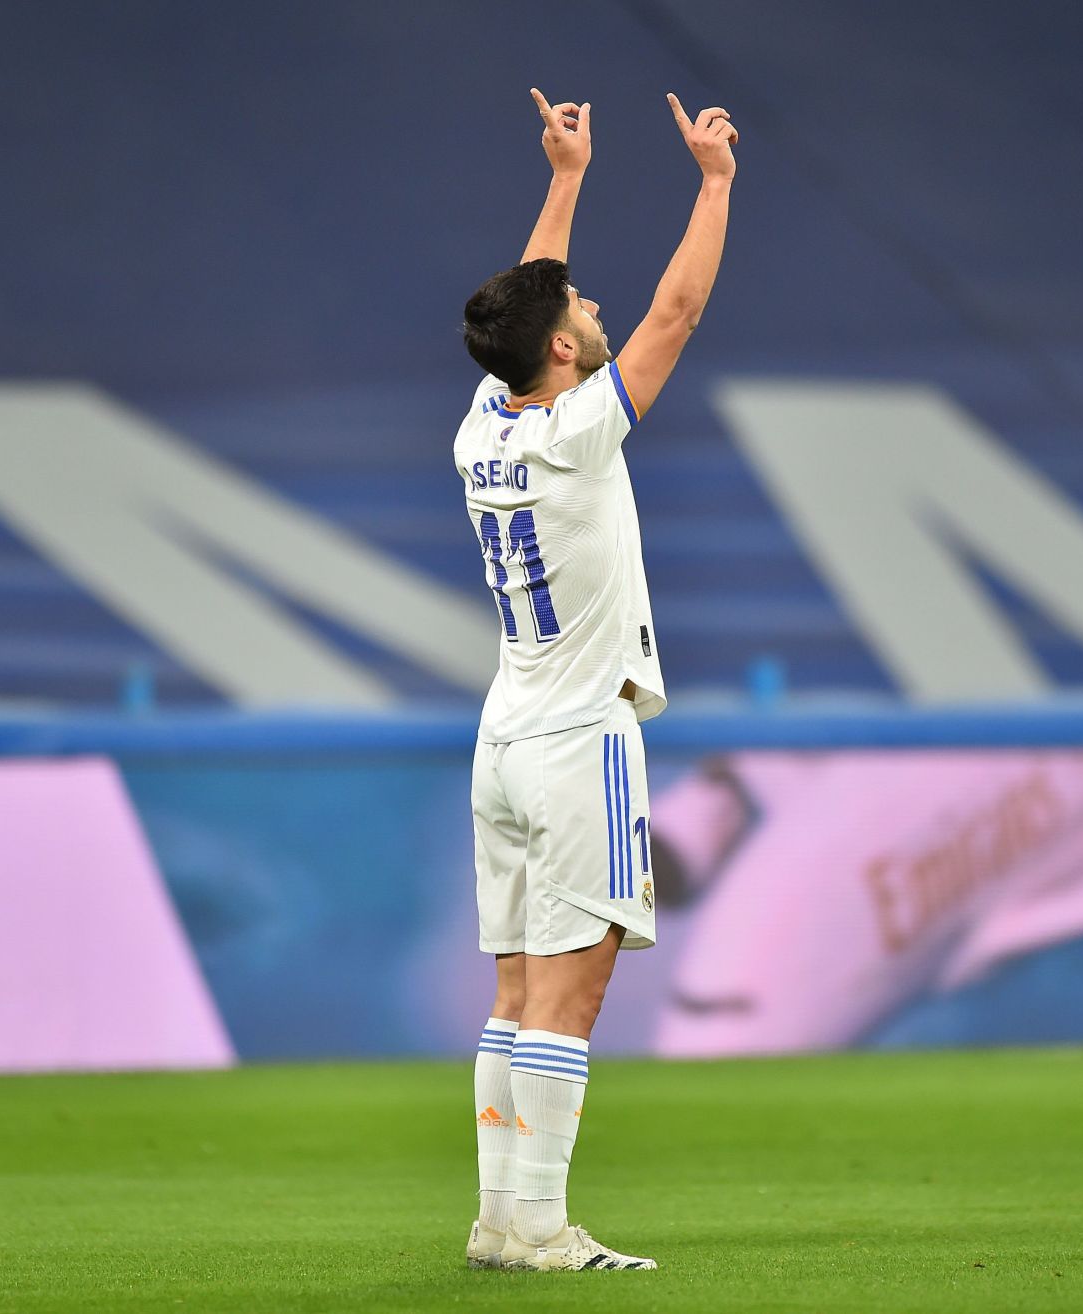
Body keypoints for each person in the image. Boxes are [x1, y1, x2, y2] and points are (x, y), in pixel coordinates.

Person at [455, 87, 737, 1273]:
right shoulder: (577, 432)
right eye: (579, 304)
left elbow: (527, 315)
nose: (592, 301)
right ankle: (544, 1231)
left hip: (505, 739)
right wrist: (714, 183)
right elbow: (677, 309)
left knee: (517, 995)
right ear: (565, 353)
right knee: (571, 1001)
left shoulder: (485, 422)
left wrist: (566, 178)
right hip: (579, 740)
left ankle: (498, 1221)